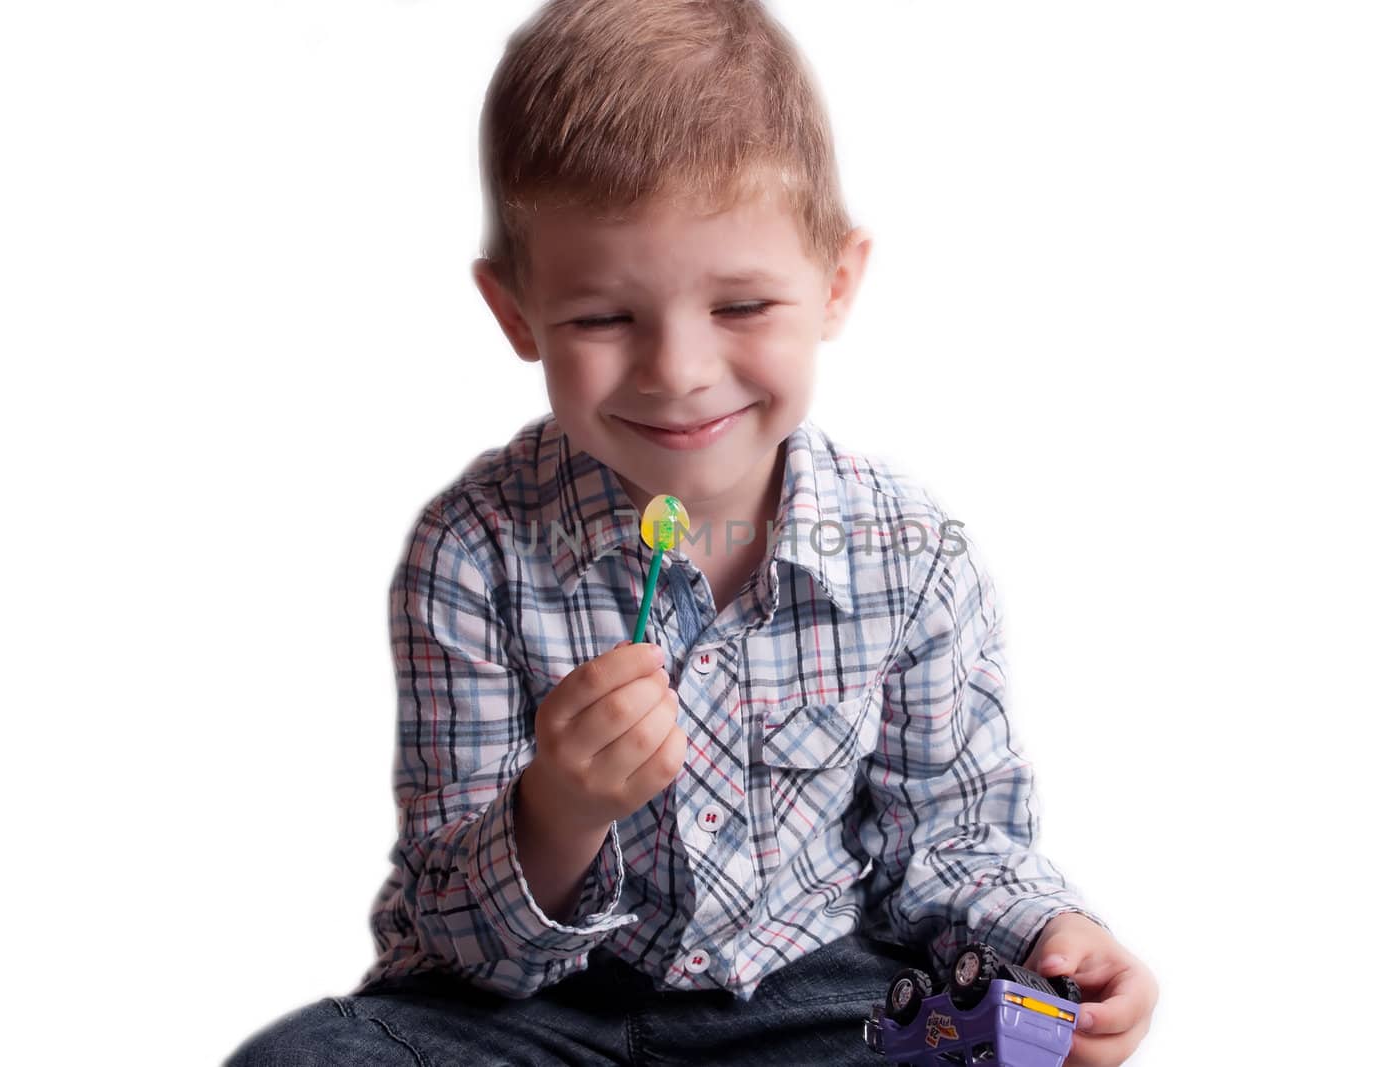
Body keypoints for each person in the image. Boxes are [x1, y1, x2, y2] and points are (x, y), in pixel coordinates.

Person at [224, 1, 1157, 1063]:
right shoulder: (473, 550)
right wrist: (558, 811)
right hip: (533, 1012)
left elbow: (944, 842)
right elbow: (459, 935)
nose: (677, 370)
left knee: (987, 1046)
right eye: (603, 318)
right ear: (516, 311)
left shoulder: (910, 556)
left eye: (743, 305)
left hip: (809, 1000)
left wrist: (1049, 931)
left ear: (834, 286)